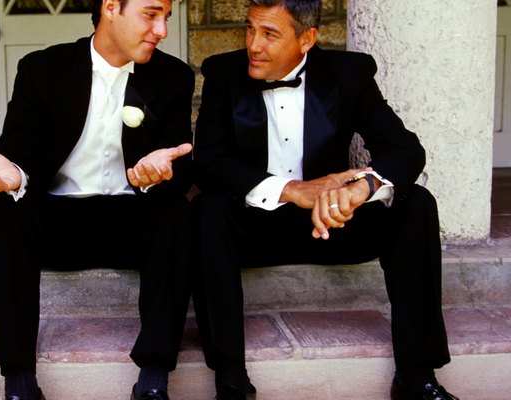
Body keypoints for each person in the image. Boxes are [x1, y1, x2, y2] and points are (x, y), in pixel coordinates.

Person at [191, 1, 459, 399]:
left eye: (269, 34)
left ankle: (416, 376)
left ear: (307, 39)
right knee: (206, 210)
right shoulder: (223, 72)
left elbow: (405, 149)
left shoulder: (349, 74)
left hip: (330, 224)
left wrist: (360, 189)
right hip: (255, 227)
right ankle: (230, 377)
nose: (253, 45)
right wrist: (289, 190)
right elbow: (208, 161)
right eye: (250, 29)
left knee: (416, 203)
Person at [0, 0, 194, 399]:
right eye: (151, 14)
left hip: (133, 220)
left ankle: (154, 376)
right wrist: (14, 176)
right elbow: (17, 156)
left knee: (178, 213)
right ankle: (18, 381)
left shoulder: (173, 76)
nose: (162, 30)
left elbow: (180, 165)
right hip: (58, 220)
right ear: (110, 8)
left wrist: (159, 174)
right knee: (6, 216)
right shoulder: (42, 69)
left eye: (166, 18)